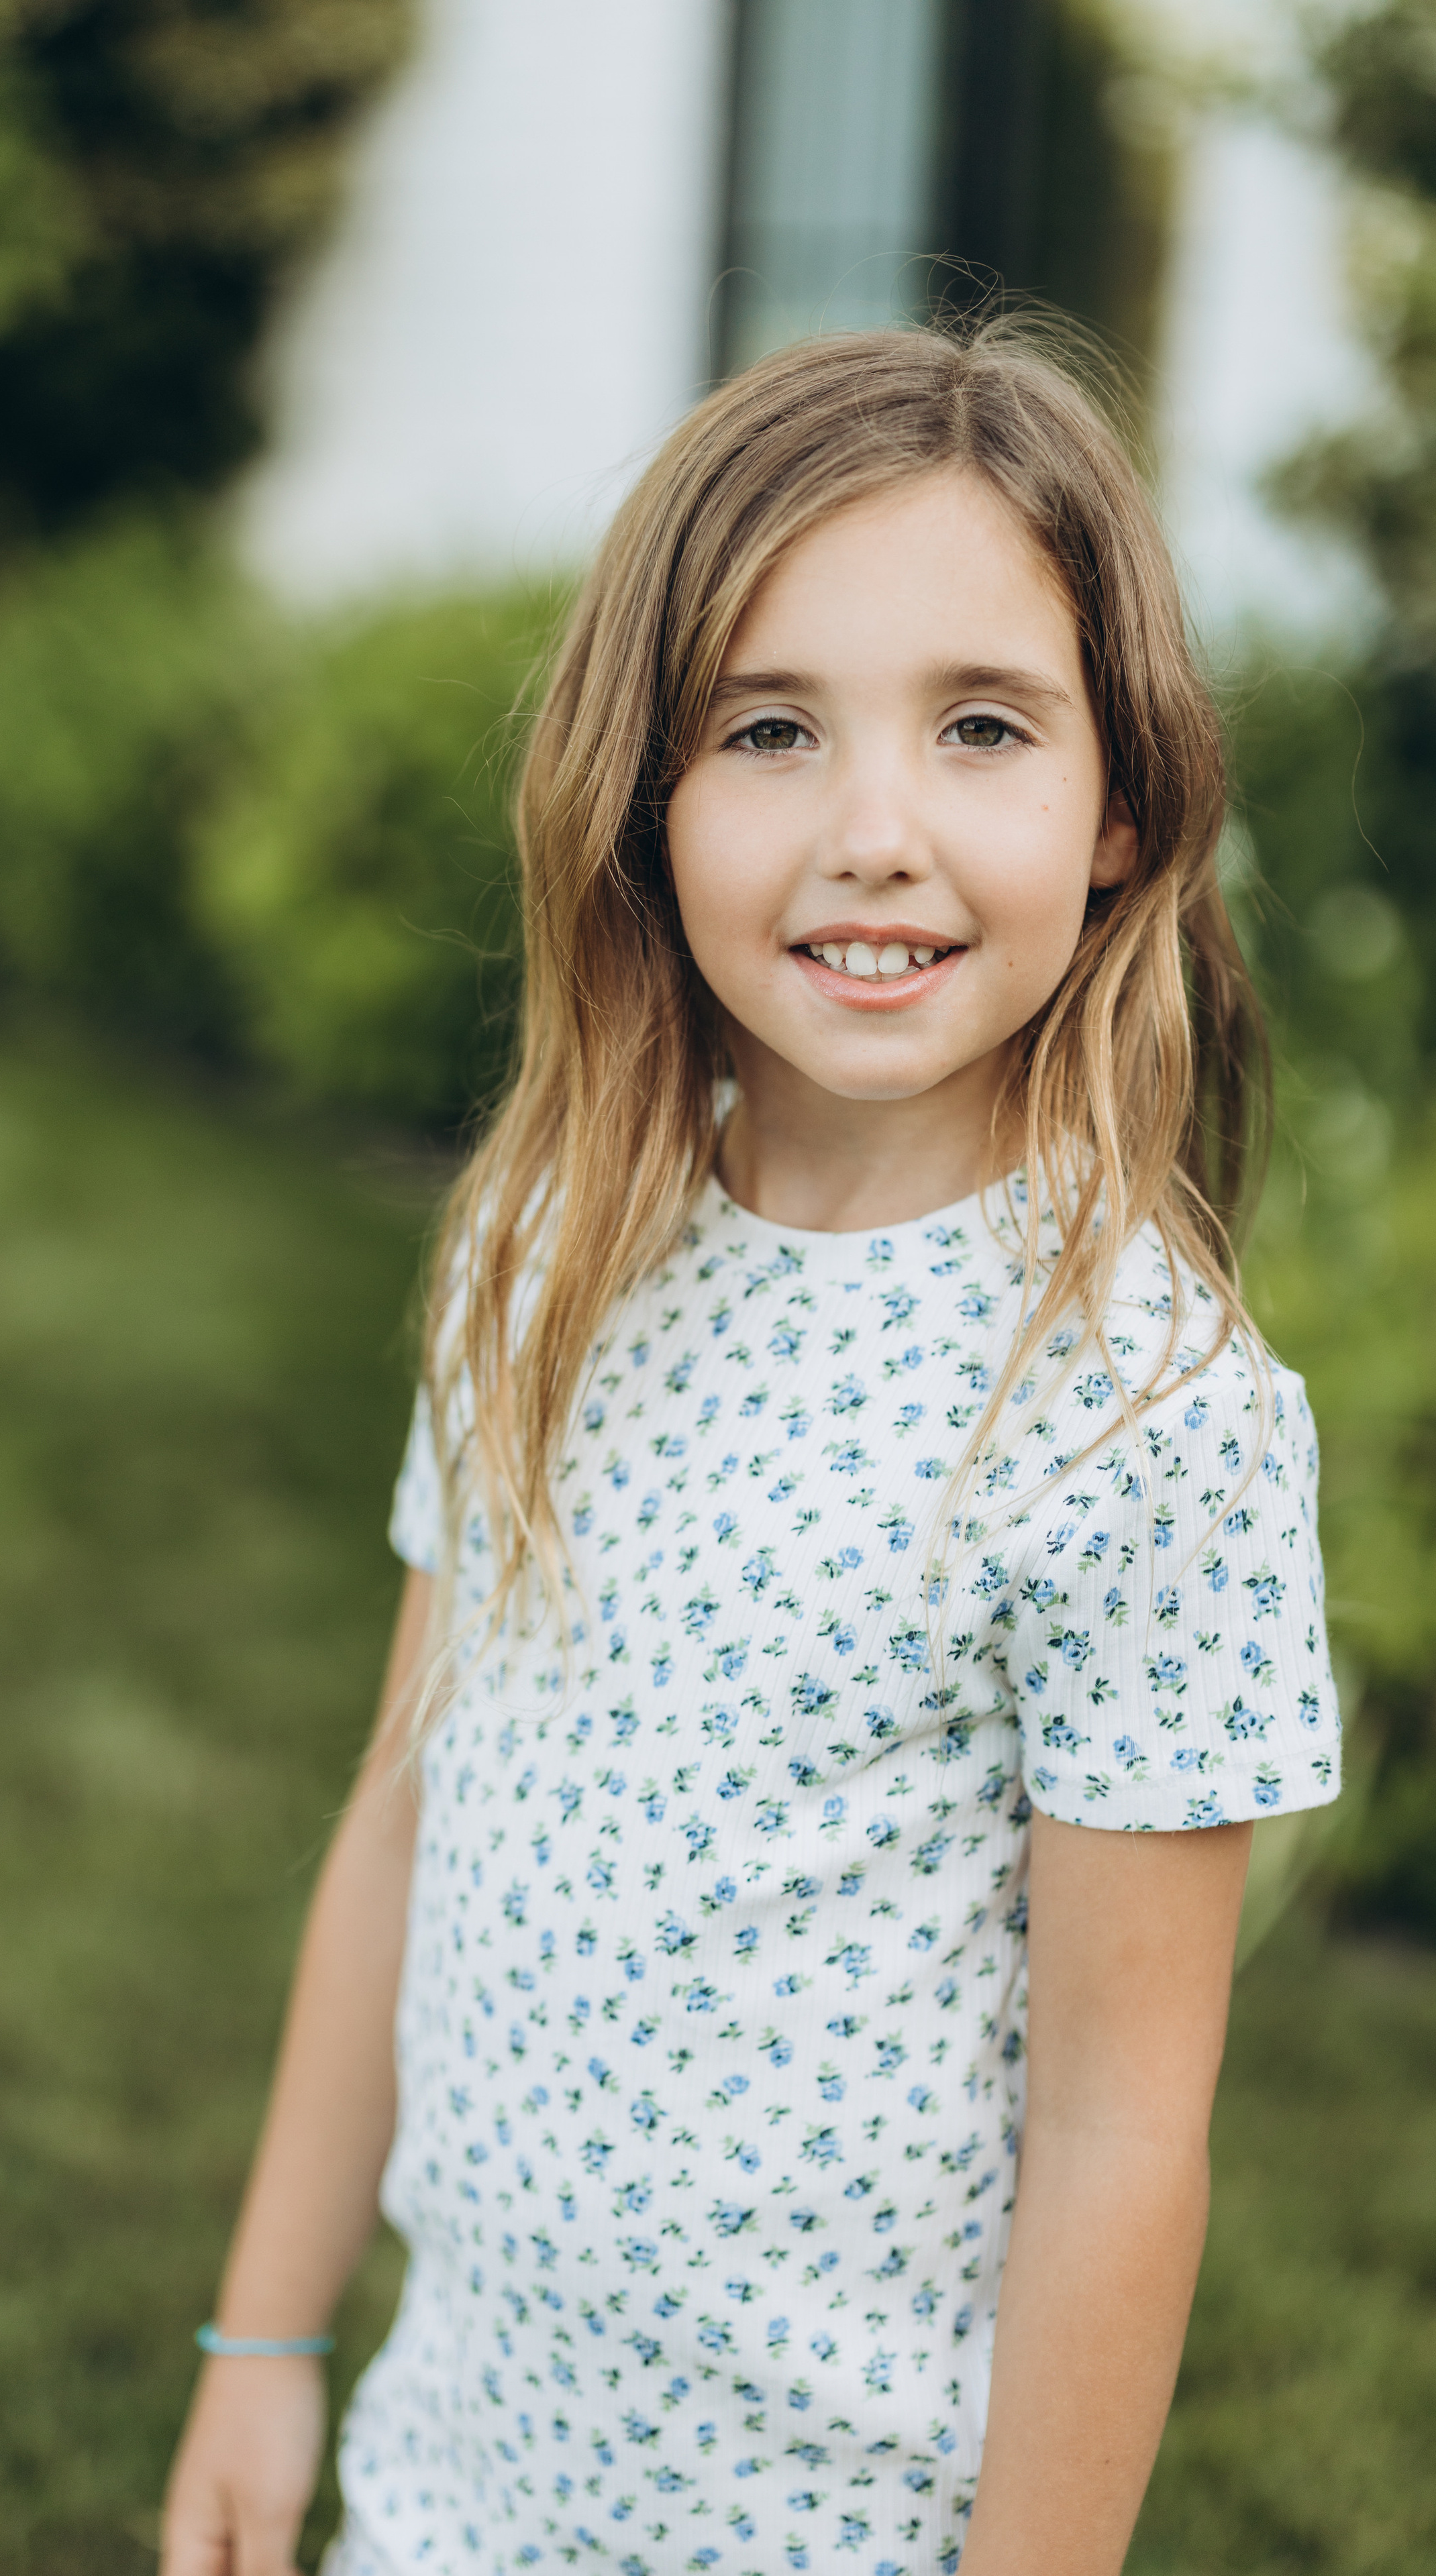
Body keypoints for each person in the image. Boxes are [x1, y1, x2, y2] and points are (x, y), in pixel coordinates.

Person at [160, 322, 1341, 2576]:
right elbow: (404, 1822)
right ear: (648, 798)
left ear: (1120, 808)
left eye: (981, 727)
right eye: (770, 729)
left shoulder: (1149, 1418)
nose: (870, 831)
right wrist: (264, 2341)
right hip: (452, 2493)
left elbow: (1121, 2137)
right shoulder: (543, 1244)